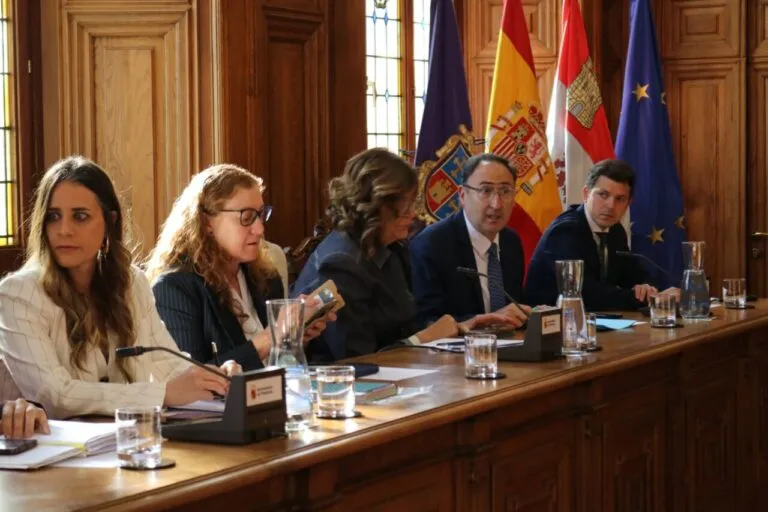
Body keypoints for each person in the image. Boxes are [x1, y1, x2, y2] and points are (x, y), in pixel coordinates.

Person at [0, 156, 234, 420]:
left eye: (80, 216)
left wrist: (214, 379)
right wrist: (160, 394)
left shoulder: (131, 282)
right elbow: (55, 396)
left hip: (122, 437)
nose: (63, 230)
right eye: (53, 217)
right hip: (51, 443)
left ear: (110, 221)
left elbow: (165, 361)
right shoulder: (18, 294)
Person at [292, 148, 514, 362]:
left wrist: (462, 325)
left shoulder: (391, 249)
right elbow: (358, 358)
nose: (413, 214)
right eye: (405, 206)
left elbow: (407, 326)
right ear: (376, 205)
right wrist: (424, 338)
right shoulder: (340, 264)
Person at [145, 164, 332, 372]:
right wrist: (270, 338)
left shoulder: (266, 277)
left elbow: (279, 367)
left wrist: (294, 340)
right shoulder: (174, 288)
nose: (259, 229)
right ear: (206, 222)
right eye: (246, 217)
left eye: (261, 215)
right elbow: (190, 377)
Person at [524, 159, 676, 310]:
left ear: (628, 203)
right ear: (586, 194)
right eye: (603, 195)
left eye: (620, 199)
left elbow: (634, 273)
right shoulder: (565, 231)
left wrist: (647, 287)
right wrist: (643, 299)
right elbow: (585, 294)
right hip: (549, 321)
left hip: (594, 320)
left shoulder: (616, 231)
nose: (611, 205)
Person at [410, 153, 531, 326]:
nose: (496, 204)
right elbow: (427, 322)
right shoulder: (431, 245)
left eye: (505, 191)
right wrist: (484, 322)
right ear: (462, 195)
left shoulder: (511, 242)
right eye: (486, 191)